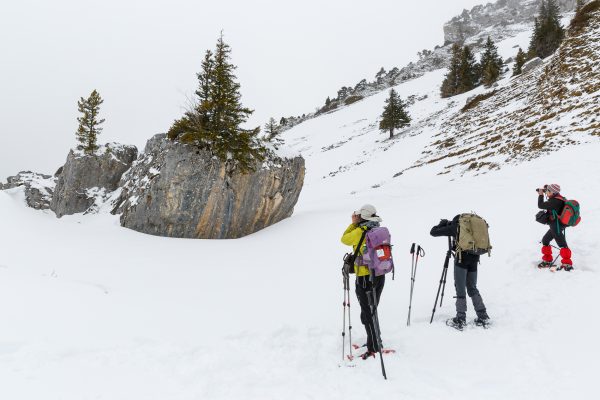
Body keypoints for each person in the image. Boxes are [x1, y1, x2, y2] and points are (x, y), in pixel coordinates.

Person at [430, 216, 490, 330]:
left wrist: (442, 224)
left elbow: (433, 232)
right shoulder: (471, 225)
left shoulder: (456, 226)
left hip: (461, 260)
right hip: (474, 259)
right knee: (472, 287)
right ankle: (483, 316)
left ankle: (460, 319)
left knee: (460, 288)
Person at [341, 204, 384, 359]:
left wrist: (353, 223)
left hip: (365, 278)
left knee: (367, 312)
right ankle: (375, 340)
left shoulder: (360, 231)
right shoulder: (378, 229)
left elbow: (344, 239)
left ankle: (374, 347)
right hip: (379, 275)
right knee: (372, 310)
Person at [537, 184, 573, 271]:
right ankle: (547, 260)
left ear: (552, 192)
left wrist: (541, 194)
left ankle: (567, 264)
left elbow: (540, 205)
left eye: (548, 192)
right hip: (556, 224)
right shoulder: (558, 198)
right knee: (545, 240)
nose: (547, 193)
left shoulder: (555, 202)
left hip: (556, 225)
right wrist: (546, 189)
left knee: (562, 244)